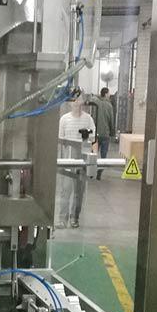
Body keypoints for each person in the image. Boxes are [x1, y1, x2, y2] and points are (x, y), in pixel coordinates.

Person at [57, 96, 96, 229]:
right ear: (70, 103)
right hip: (68, 159)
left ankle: (75, 218)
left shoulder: (88, 119)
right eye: (74, 100)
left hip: (82, 159)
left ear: (83, 102)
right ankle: (62, 219)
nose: (76, 102)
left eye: (79, 99)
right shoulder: (64, 119)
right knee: (65, 190)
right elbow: (60, 141)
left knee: (79, 191)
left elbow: (92, 138)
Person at [90, 87, 115, 179]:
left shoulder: (95, 102)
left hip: (95, 134)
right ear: (106, 94)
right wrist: (112, 132)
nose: (110, 95)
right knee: (103, 155)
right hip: (105, 134)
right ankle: (100, 171)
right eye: (109, 93)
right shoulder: (109, 105)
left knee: (93, 154)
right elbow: (111, 120)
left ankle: (91, 172)